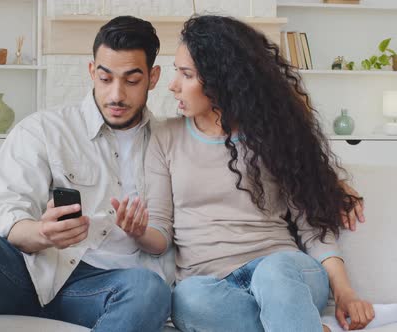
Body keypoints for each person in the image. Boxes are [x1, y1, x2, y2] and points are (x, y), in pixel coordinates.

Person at [125, 15, 384, 332]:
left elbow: (312, 225)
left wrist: (344, 292)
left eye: (186, 74)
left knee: (272, 273)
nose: (173, 84)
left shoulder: (273, 135)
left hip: (285, 273)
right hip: (212, 284)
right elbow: (161, 234)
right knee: (186, 301)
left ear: (221, 80)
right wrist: (138, 230)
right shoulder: (164, 137)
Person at [0, 16, 173, 332]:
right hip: (30, 272)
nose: (116, 95)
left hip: (109, 287)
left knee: (148, 290)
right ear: (92, 71)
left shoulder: (169, 142)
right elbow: (1, 213)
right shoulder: (43, 130)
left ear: (153, 77)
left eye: (131, 81)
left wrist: (140, 231)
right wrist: (42, 233)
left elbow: (169, 233)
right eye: (106, 79)